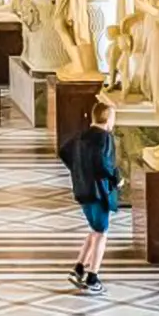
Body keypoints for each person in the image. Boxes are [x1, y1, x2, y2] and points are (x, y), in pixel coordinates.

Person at [58, 101, 122, 295]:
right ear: (107, 118)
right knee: (102, 233)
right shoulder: (104, 138)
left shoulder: (80, 136)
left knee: (94, 229)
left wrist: (78, 171)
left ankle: (78, 268)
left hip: (82, 190)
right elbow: (104, 164)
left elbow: (64, 152)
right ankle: (93, 277)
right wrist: (116, 179)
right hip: (98, 192)